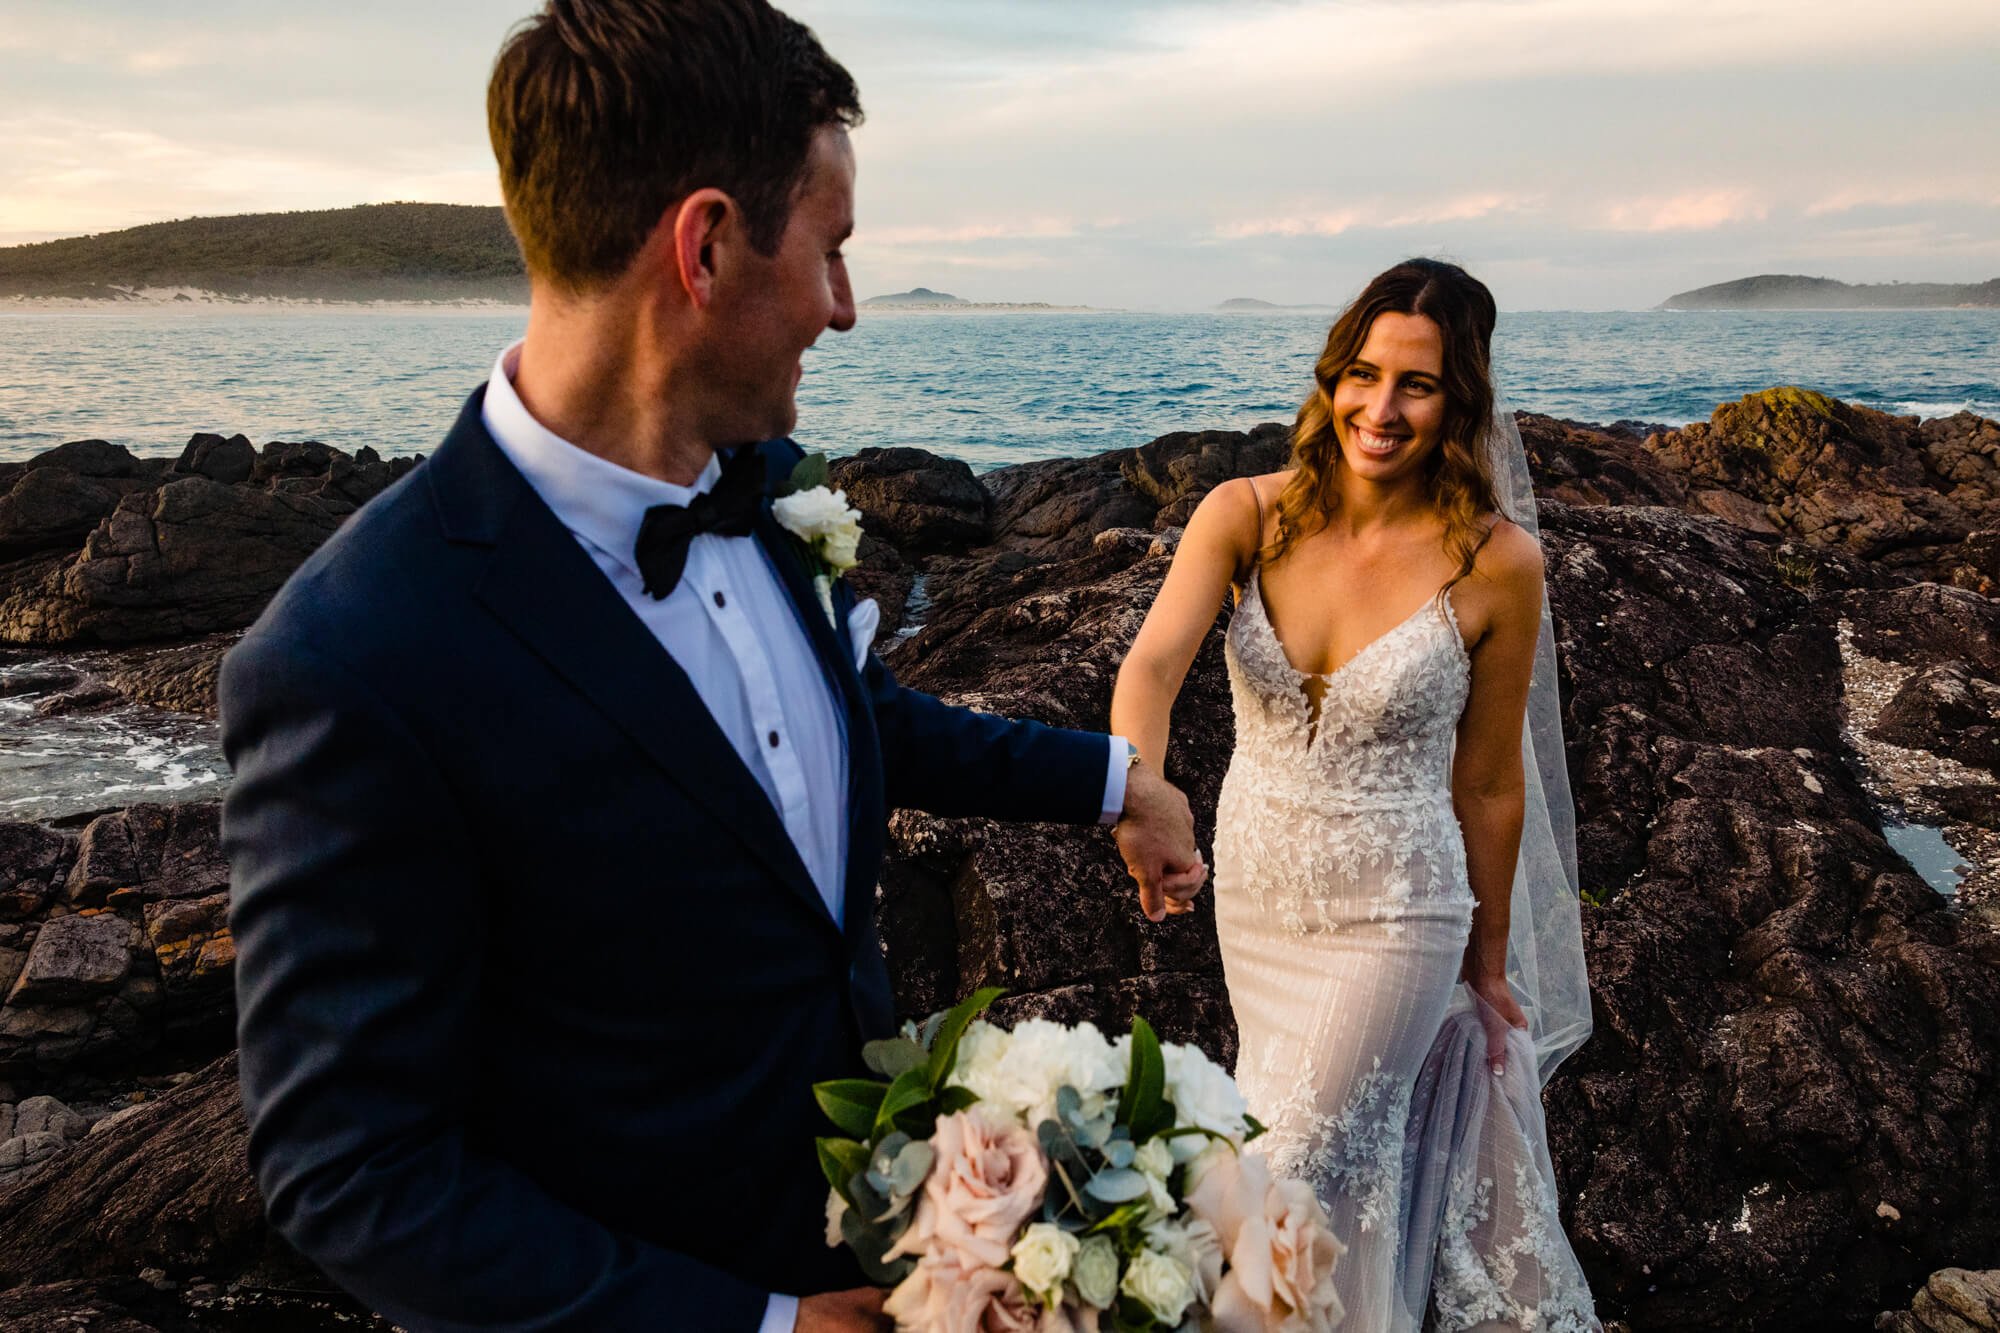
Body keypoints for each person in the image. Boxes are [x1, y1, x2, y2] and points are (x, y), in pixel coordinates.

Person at [219, 3, 1206, 1330]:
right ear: (704, 246)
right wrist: (767, 1327)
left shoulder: (767, 485)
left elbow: (843, 721)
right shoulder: (355, 655)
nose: (844, 309)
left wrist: (1112, 779)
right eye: (831, 250)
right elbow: (352, 1172)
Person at [1110, 259, 1598, 1330]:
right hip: (1258, 901)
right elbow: (1149, 668)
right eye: (1363, 375)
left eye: (1416, 384)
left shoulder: (1497, 563)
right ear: (1332, 377)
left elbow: (1487, 781)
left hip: (1396, 910)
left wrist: (1486, 966)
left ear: (1458, 400)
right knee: (1300, 1163)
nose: (1380, 409)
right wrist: (1140, 798)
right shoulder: (1246, 514)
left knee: (1284, 1167)